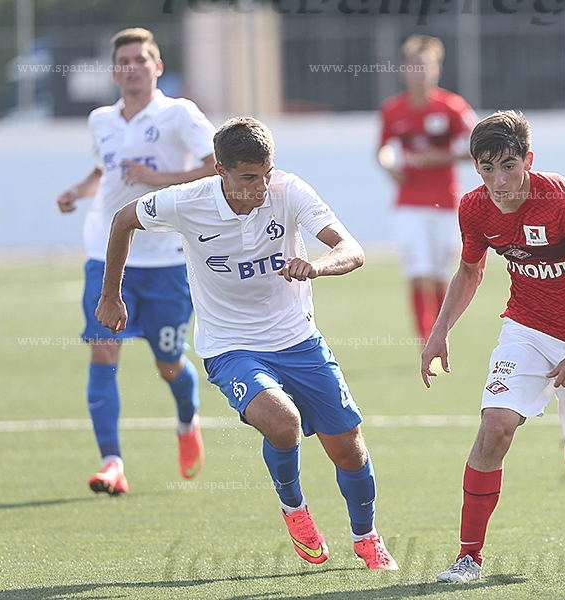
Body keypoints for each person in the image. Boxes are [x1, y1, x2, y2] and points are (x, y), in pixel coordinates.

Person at [95, 116, 399, 570]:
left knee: (348, 447)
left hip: (298, 338)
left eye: (266, 173)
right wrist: (110, 295)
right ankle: (294, 508)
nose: (261, 187)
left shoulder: (288, 190)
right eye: (249, 178)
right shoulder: (186, 201)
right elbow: (124, 220)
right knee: (283, 422)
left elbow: (351, 249)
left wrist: (316, 266)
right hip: (230, 345)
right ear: (220, 170)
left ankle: (366, 537)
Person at [421, 110, 565, 583]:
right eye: (487, 168)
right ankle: (469, 556)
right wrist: (439, 330)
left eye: (509, 166)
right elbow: (470, 270)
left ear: (528, 161)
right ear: (475, 167)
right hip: (527, 328)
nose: (498, 181)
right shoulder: (474, 208)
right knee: (495, 427)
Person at [57, 27, 215, 496]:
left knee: (168, 362)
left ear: (157, 66)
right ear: (114, 72)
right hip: (107, 255)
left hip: (166, 260)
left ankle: (187, 420)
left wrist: (157, 177)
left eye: (140, 59)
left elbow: (215, 167)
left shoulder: (178, 114)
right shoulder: (101, 120)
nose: (132, 68)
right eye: (123, 61)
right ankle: (112, 463)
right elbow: (105, 170)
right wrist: (78, 191)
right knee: (103, 350)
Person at [378, 34, 477, 342]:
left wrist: (439, 156)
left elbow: (477, 147)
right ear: (403, 70)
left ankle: (440, 338)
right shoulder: (393, 110)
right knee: (418, 272)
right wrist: (388, 166)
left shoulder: (452, 107)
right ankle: (426, 342)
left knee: (440, 274)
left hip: (445, 203)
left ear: (437, 70)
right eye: (414, 66)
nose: (419, 72)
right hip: (409, 204)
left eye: (426, 66)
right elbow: (384, 150)